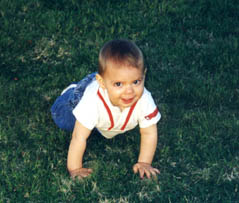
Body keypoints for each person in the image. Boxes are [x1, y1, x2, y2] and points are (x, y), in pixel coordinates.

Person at [51, 39, 161, 179]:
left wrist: (144, 162)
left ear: (144, 75)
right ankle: (74, 89)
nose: (129, 91)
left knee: (95, 129)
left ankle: (108, 81)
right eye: (119, 84)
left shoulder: (144, 99)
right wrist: (75, 168)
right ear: (102, 83)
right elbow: (79, 137)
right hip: (75, 101)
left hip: (103, 105)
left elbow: (149, 133)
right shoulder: (92, 102)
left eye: (136, 82)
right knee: (64, 120)